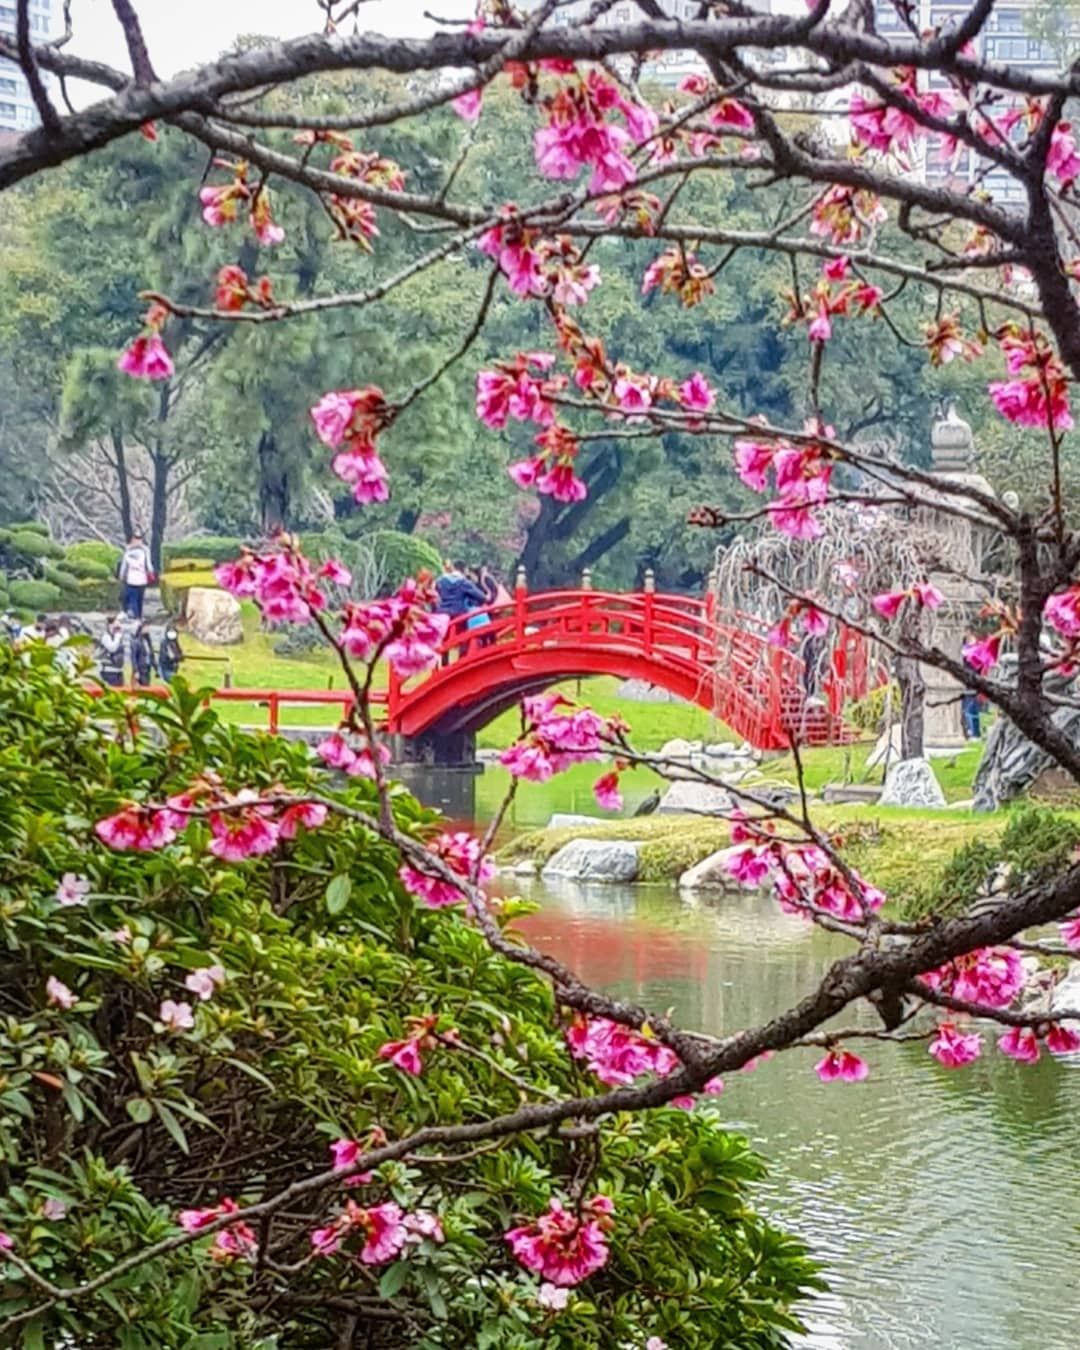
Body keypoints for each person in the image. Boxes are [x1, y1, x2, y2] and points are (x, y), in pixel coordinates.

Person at [118, 533, 152, 620]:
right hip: (133, 579)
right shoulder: (132, 550)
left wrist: (121, 575)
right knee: (135, 599)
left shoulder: (142, 550)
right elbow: (124, 565)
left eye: (139, 539)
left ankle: (138, 616)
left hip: (140, 579)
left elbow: (124, 565)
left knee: (138, 599)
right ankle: (137, 616)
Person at [961, 631, 982, 739]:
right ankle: (971, 731)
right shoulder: (964, 651)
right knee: (968, 710)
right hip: (967, 684)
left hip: (972, 684)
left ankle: (974, 732)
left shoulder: (974, 651)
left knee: (971, 710)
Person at [98, 615, 126, 687]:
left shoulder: (117, 637)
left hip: (118, 671)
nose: (118, 630)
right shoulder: (105, 636)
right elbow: (112, 648)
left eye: (119, 628)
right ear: (110, 625)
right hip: (108, 671)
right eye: (116, 627)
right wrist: (117, 637)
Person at [131, 622, 156, 686]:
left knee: (147, 685)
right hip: (140, 668)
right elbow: (134, 657)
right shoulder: (136, 642)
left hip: (147, 667)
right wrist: (136, 671)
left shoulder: (148, 640)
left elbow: (151, 654)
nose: (148, 629)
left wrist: (155, 667)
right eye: (146, 627)